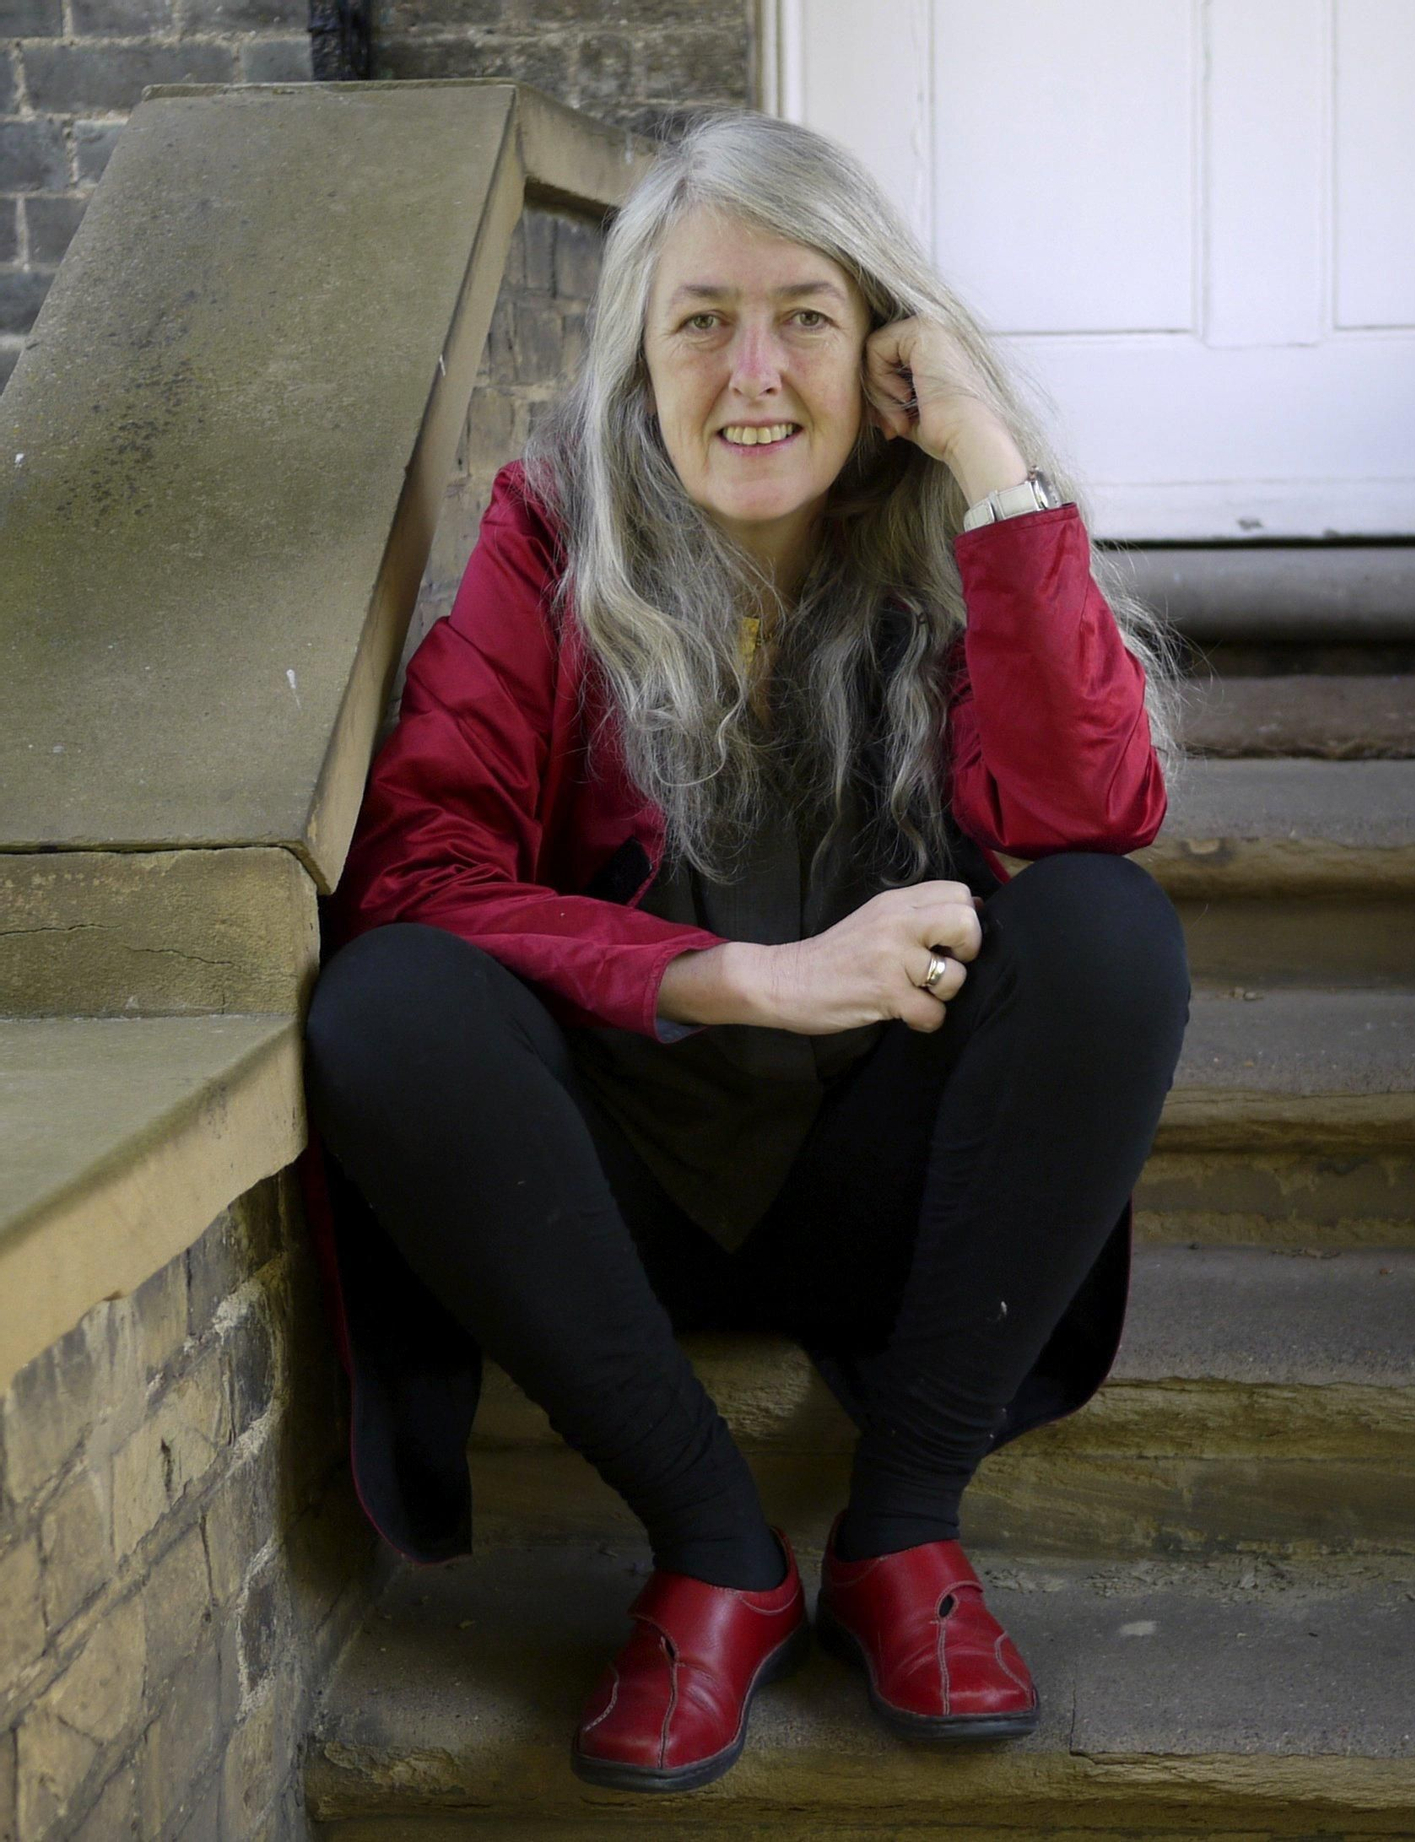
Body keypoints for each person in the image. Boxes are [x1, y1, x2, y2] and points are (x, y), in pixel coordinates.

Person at [298, 106, 1191, 1795]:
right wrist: (749, 980)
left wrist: (990, 457)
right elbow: (416, 869)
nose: (755, 372)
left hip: (887, 1201)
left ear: (883, 352)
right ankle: (714, 1547)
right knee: (387, 1005)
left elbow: (1094, 805)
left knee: (1107, 931)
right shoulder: (553, 535)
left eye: (807, 317)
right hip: (610, 1202)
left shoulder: (943, 537)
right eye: (702, 319)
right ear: (642, 360)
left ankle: (905, 1527)